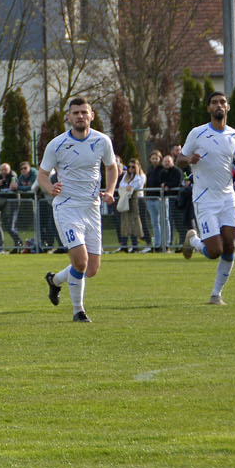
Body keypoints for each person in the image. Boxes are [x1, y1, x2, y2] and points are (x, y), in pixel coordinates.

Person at [39, 99, 116, 321]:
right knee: (80, 262)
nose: (80, 116)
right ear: (69, 117)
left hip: (92, 208)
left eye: (84, 112)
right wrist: (50, 188)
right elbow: (42, 174)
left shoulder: (102, 141)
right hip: (67, 207)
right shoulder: (57, 144)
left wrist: (110, 190)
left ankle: (55, 280)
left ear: (92, 115)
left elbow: (111, 167)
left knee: (91, 269)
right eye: (76, 113)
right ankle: (78, 311)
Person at [175, 92, 235, 304]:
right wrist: (188, 159)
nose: (218, 105)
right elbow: (179, 159)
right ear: (209, 108)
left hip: (228, 198)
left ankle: (216, 294)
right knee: (214, 251)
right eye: (214, 103)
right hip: (204, 198)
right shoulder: (197, 133)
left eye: (222, 102)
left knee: (230, 246)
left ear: (227, 107)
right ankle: (193, 240)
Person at [116, 157, 145, 252]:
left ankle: (135, 245)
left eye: (133, 167)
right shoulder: (126, 176)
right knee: (124, 222)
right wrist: (129, 187)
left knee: (134, 222)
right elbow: (122, 185)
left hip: (135, 201)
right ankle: (124, 246)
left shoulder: (141, 175)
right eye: (129, 167)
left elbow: (138, 185)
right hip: (126, 201)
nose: (131, 169)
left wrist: (130, 187)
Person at [0, 162, 19, 252]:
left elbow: (12, 187)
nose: (3, 171)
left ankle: (18, 244)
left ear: (9, 169)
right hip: (3, 202)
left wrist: (3, 186)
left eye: (5, 169)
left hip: (12, 202)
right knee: (6, 225)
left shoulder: (12, 175)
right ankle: (17, 244)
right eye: (2, 170)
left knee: (11, 226)